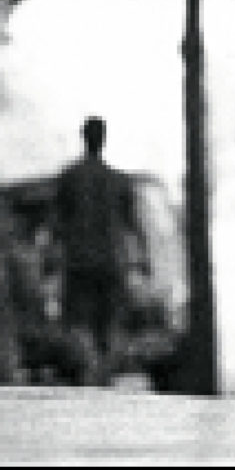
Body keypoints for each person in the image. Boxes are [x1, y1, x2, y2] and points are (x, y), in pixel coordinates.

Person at [53, 115, 144, 385]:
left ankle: (89, 370)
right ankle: (103, 372)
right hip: (112, 263)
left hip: (79, 262)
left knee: (79, 322)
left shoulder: (69, 177)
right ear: (104, 139)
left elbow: (57, 224)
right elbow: (132, 227)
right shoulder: (119, 181)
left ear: (84, 137)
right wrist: (139, 262)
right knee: (110, 324)